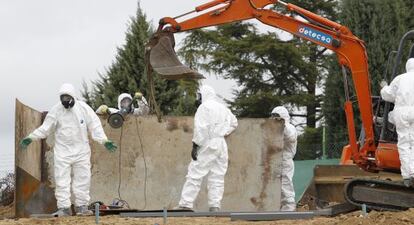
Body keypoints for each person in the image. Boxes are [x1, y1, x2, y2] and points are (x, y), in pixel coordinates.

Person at [19, 83, 118, 217]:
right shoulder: (56, 110)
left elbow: (95, 125)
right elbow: (45, 128)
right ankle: (64, 208)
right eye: (63, 98)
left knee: (83, 178)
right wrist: (31, 137)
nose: (65, 101)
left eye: (67, 97)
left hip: (81, 151)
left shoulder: (83, 108)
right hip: (62, 152)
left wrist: (104, 140)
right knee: (61, 180)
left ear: (73, 97)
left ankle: (82, 207)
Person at [177, 85, 238, 212]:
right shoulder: (223, 107)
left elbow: (201, 128)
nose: (198, 99)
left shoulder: (204, 107)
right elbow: (234, 122)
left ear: (204, 94)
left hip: (208, 142)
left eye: (199, 96)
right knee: (217, 176)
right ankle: (215, 206)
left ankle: (185, 204)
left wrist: (195, 145)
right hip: (221, 144)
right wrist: (224, 132)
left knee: (195, 173)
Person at [380, 58, 414, 187]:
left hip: (402, 113)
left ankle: (408, 176)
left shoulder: (400, 78)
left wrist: (384, 87)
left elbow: (388, 95)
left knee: (404, 143)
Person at [271, 106, 297, 211]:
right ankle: (278, 206)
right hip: (274, 160)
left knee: (285, 183)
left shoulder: (290, 127)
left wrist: (282, 125)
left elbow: (290, 137)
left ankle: (289, 206)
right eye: (272, 116)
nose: (273, 118)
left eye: (276, 116)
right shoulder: (272, 129)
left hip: (285, 159)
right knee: (274, 185)